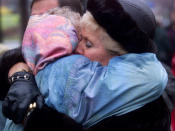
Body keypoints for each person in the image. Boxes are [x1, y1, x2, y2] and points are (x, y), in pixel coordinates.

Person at [1, 0, 170, 130]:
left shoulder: (145, 111)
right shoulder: (67, 54)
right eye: (79, 37)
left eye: (88, 44)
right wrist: (20, 76)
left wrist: (32, 115)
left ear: (120, 58)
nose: (77, 47)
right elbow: (14, 60)